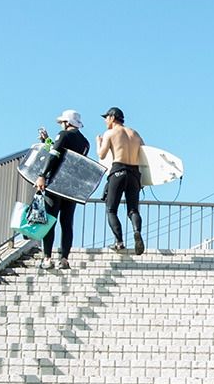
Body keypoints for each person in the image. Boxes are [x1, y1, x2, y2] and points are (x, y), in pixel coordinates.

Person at [35, 109, 90, 270]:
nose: (61, 125)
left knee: (50, 221)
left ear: (67, 122)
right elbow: (68, 156)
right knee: (67, 223)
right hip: (72, 187)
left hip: (57, 184)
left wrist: (42, 175)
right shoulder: (85, 142)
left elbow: (54, 155)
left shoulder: (63, 134)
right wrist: (48, 141)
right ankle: (64, 259)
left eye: (62, 123)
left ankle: (47, 258)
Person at [97, 106, 147, 255]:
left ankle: (119, 242)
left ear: (112, 117)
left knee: (111, 209)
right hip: (134, 173)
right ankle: (137, 231)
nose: (105, 121)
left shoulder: (110, 133)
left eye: (106, 117)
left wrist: (98, 142)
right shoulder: (135, 134)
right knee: (133, 209)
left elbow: (102, 154)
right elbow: (145, 155)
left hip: (118, 170)